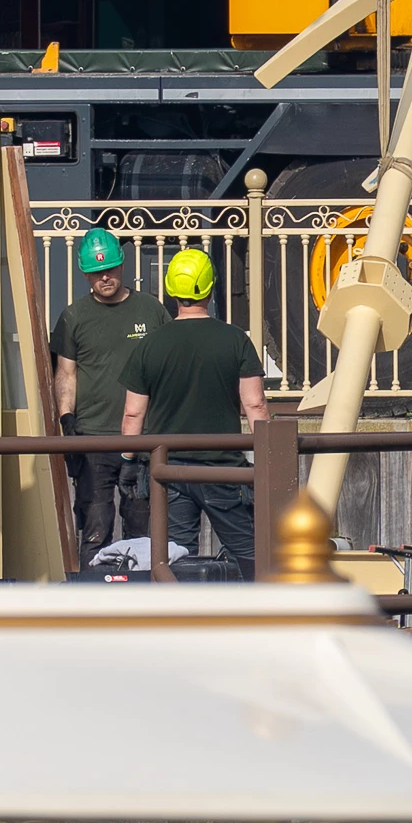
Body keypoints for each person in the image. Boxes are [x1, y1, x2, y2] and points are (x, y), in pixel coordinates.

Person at [120, 247, 269, 579]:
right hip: (224, 470)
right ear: (212, 287)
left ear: (171, 291)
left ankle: (181, 623)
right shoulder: (235, 341)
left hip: (169, 468)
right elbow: (255, 405)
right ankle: (256, 618)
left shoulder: (149, 344)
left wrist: (128, 463)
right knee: (248, 554)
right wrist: (268, 456)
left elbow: (133, 414)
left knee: (173, 556)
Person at [51, 227, 168, 556]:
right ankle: (91, 597)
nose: (105, 278)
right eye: (96, 273)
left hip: (142, 439)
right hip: (93, 437)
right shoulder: (74, 317)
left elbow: (167, 366)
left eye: (110, 270)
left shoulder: (151, 310)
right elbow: (66, 372)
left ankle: (142, 597)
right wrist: (66, 418)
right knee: (95, 523)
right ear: (85, 275)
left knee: (141, 526)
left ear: (121, 265)